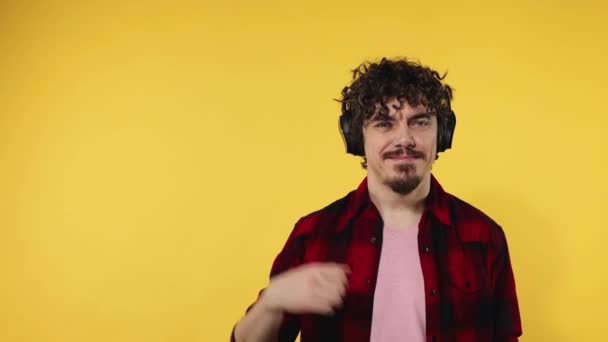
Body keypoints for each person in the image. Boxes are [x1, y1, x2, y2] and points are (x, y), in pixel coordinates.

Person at [231, 57, 522, 342]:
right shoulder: (313, 235)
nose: (404, 138)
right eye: (384, 123)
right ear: (357, 137)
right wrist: (273, 301)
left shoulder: (483, 236)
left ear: (442, 135)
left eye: (419, 122)